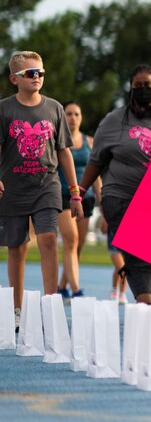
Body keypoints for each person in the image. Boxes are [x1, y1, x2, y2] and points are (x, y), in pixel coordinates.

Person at [78, 65, 151, 304]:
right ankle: (146, 304)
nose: (143, 90)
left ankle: (145, 300)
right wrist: (78, 192)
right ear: (130, 89)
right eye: (138, 87)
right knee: (137, 256)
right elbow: (95, 161)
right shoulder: (114, 121)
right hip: (122, 198)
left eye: (148, 86)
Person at [1, 51, 82, 329]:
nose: (37, 77)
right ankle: (16, 311)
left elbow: (64, 153)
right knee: (17, 248)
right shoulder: (4, 109)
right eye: (30, 73)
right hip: (12, 188)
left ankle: (51, 307)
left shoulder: (55, 108)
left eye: (40, 73)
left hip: (47, 185)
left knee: (48, 239)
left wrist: (74, 192)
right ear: (14, 78)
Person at [57, 100, 101, 300]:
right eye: (68, 114)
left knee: (77, 246)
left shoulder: (90, 142)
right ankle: (76, 291)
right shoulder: (57, 140)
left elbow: (97, 174)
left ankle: (62, 286)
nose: (72, 118)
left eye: (76, 114)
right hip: (64, 195)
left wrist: (101, 199)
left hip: (87, 197)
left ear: (81, 117)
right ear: (63, 117)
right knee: (71, 240)